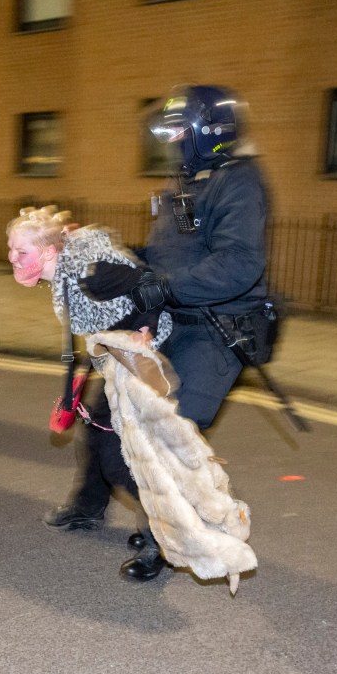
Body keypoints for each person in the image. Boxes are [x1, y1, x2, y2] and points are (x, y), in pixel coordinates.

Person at [76, 84, 271, 578]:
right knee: (109, 423)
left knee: (165, 441)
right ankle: (114, 508)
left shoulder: (240, 182)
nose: (173, 141)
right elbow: (169, 255)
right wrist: (124, 264)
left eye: (181, 130)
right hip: (170, 321)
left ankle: (168, 539)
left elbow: (238, 264)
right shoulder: (187, 177)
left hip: (215, 332)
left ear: (213, 132)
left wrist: (157, 284)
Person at [6, 206, 174, 582]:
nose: (12, 259)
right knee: (93, 433)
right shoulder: (64, 267)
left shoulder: (88, 273)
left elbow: (152, 285)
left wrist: (143, 327)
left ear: (49, 252)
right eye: (11, 249)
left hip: (142, 361)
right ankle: (87, 508)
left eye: (22, 252)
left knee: (120, 458)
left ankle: (164, 535)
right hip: (114, 359)